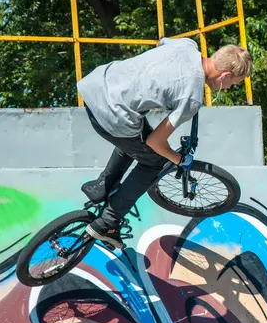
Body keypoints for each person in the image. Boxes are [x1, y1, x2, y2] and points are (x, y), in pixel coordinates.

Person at [76, 37, 253, 249]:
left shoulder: (187, 45)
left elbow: (161, 42)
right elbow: (155, 142)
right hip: (112, 114)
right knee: (154, 162)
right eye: (232, 84)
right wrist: (179, 160)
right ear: (225, 75)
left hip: (97, 85)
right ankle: (106, 223)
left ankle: (102, 187)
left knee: (135, 138)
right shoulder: (192, 97)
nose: (228, 87)